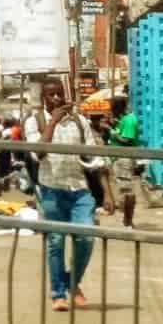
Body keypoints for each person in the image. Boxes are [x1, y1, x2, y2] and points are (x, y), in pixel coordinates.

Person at [25, 78, 105, 311]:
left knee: (86, 238)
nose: (57, 98)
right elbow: (37, 153)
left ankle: (72, 281)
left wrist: (106, 190)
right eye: (51, 95)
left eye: (60, 94)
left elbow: (93, 155)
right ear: (43, 100)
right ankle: (58, 293)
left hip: (79, 189)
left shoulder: (80, 122)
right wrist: (54, 122)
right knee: (56, 241)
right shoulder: (35, 121)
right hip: (51, 188)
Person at [108, 96, 141, 230]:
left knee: (126, 191)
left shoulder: (128, 120)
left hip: (124, 159)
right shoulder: (124, 119)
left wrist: (109, 130)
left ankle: (128, 221)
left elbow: (126, 139)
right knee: (125, 190)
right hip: (120, 158)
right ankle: (127, 220)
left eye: (113, 108)